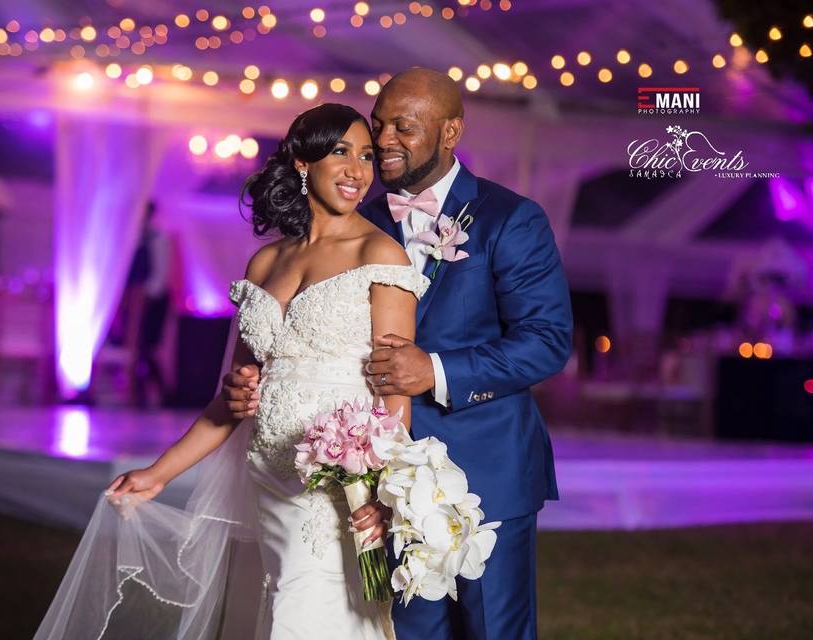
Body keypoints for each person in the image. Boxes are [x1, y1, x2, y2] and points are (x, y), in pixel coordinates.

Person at [35, 103, 428, 639]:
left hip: (341, 488)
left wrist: (383, 495)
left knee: (312, 616)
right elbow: (233, 401)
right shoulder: (265, 264)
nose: (358, 170)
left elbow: (395, 390)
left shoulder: (379, 253)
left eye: (365, 156)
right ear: (301, 162)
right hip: (268, 473)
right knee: (276, 613)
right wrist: (159, 473)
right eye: (341, 152)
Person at [222, 68, 574, 639]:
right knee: (399, 630)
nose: (383, 141)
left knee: (492, 631)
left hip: (485, 469)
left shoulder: (510, 219)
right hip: (366, 479)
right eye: (378, 124)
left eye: (403, 128)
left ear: (451, 132)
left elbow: (547, 342)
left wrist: (433, 369)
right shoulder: (357, 216)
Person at [124, 200, 172, 408]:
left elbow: (159, 276)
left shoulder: (156, 237)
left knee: (149, 348)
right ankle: (136, 392)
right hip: (132, 299)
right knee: (135, 347)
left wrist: (145, 295)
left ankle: (160, 393)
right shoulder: (129, 237)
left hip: (151, 300)